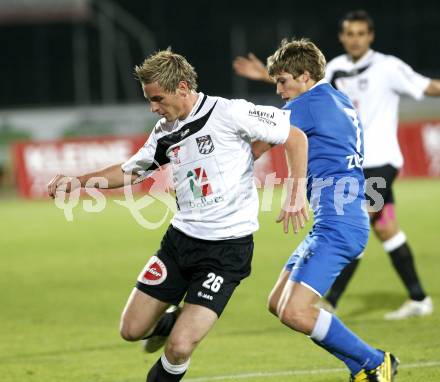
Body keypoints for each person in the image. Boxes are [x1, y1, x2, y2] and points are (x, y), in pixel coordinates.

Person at [47, 49, 309, 382]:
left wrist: (295, 194)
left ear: (182, 88)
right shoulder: (164, 131)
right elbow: (131, 172)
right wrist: (79, 182)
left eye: (157, 98)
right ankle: (169, 319)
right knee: (131, 330)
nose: (153, 107)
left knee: (179, 347)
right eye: (149, 100)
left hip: (225, 253)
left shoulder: (230, 113)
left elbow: (295, 137)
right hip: (179, 244)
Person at [233, 9, 440, 320]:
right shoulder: (336, 69)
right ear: (342, 37)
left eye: (361, 33)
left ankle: (329, 298)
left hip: (379, 163)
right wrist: (267, 73)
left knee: (356, 220)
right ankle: (418, 297)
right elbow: (305, 84)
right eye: (349, 34)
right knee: (386, 228)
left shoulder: (388, 67)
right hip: (353, 165)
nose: (355, 39)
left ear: (370, 36)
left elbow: (429, 87)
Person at [254, 38, 399, 382]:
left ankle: (376, 360)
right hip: (340, 218)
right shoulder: (337, 98)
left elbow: (256, 145)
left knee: (294, 310)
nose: (278, 89)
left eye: (282, 81)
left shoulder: (307, 105)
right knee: (278, 303)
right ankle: (361, 368)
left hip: (339, 223)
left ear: (305, 76)